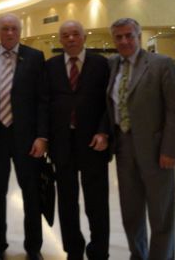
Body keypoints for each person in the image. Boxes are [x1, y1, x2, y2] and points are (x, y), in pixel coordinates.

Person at [107, 18, 175, 260]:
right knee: (130, 211)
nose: (124, 41)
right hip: (123, 147)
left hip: (156, 150)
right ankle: (137, 254)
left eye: (129, 35)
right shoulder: (111, 65)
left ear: (138, 37)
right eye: (119, 37)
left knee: (160, 212)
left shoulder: (161, 64)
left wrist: (170, 150)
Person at [0, 13, 48, 260]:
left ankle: (34, 247)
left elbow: (42, 100)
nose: (9, 33)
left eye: (14, 29)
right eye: (5, 28)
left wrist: (42, 136)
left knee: (32, 194)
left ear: (20, 31)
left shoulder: (35, 57)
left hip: (27, 138)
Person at [46, 20, 110, 260]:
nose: (71, 38)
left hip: (93, 143)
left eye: (75, 34)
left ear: (84, 37)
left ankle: (99, 251)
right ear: (60, 39)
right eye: (65, 35)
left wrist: (104, 131)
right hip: (62, 143)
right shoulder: (50, 66)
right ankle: (73, 249)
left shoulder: (101, 64)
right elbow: (45, 103)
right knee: (67, 201)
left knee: (97, 201)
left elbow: (109, 102)